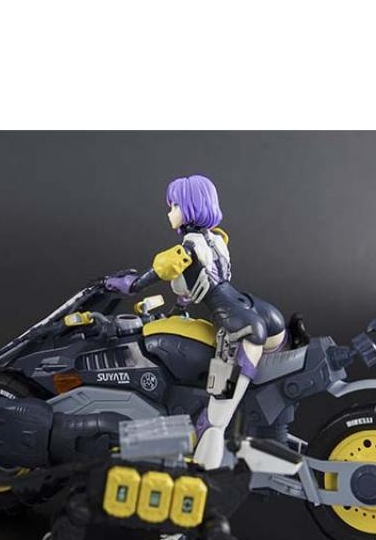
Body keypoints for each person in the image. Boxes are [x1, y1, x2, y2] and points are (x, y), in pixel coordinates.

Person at [105, 174, 286, 472]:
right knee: (265, 387)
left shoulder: (185, 250)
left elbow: (138, 284)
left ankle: (204, 478)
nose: (169, 212)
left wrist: (114, 283)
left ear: (189, 207)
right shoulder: (217, 240)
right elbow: (195, 291)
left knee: (213, 421)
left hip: (237, 328)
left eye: (174, 205)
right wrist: (175, 312)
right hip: (260, 311)